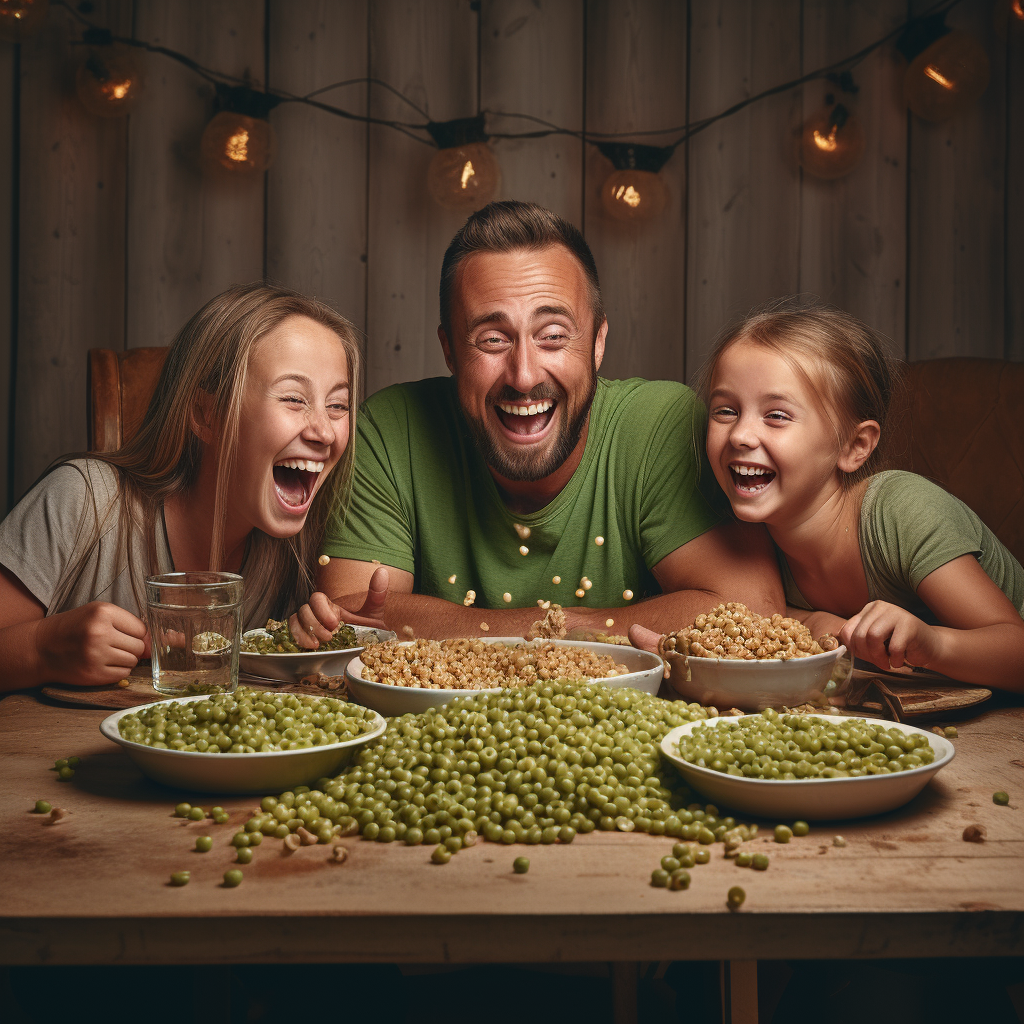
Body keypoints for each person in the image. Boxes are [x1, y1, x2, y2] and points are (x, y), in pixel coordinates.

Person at [294, 200, 783, 646]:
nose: (524, 376)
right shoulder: (389, 430)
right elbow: (351, 620)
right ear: (449, 350)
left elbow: (755, 612)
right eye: (492, 340)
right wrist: (571, 631)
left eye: (552, 336)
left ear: (597, 342)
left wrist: (552, 629)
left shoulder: (660, 426)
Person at [0, 282, 384, 692]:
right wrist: (42, 650)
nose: (325, 431)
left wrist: (301, 643)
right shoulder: (82, 500)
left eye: (338, 405)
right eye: (293, 398)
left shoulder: (305, 549)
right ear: (205, 413)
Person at [697, 298, 1024, 689]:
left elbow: (1016, 652)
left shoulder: (902, 511)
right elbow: (759, 614)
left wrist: (932, 643)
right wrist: (813, 621)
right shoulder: (745, 531)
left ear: (854, 446)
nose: (740, 435)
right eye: (725, 411)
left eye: (777, 416)